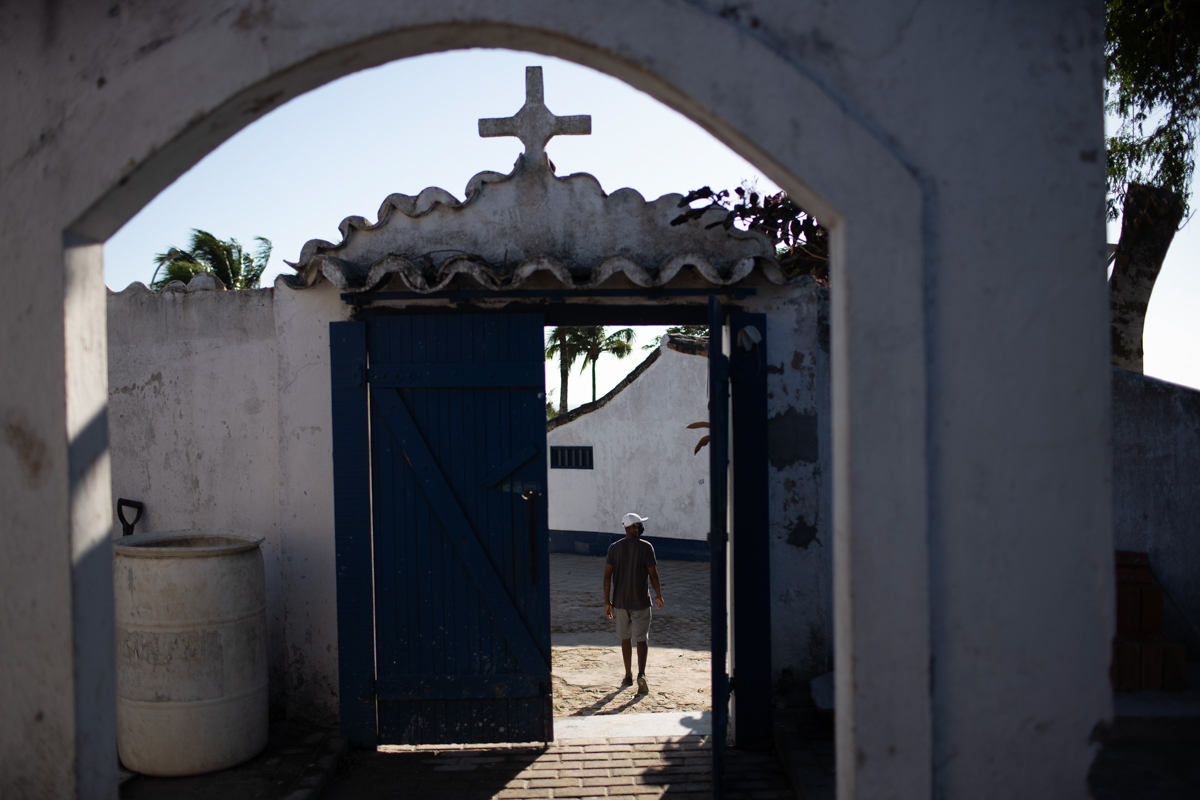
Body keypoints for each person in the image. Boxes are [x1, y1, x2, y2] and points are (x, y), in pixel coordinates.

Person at [603, 512, 665, 694]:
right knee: (642, 638)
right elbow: (653, 575)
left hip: (621, 602)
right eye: (638, 524)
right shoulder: (646, 547)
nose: (641, 527)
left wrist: (607, 602)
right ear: (632, 527)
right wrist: (659, 595)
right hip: (641, 601)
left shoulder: (614, 548)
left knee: (625, 638)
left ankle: (628, 675)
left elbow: (607, 577)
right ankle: (641, 674)